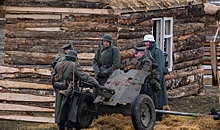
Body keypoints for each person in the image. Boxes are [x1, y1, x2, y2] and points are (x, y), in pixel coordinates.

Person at [51, 50, 100, 130]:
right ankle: (69, 128)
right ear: (74, 58)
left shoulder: (58, 65)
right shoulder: (74, 66)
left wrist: (57, 88)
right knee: (71, 111)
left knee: (61, 110)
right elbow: (84, 77)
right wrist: (96, 83)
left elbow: (52, 79)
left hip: (60, 90)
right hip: (71, 92)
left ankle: (61, 127)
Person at [143, 34, 168, 121]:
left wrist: (157, 79)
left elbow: (160, 67)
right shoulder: (147, 51)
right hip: (150, 77)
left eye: (147, 42)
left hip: (157, 77)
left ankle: (159, 115)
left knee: (159, 97)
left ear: (151, 42)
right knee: (152, 97)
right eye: (145, 42)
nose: (146, 43)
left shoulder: (157, 52)